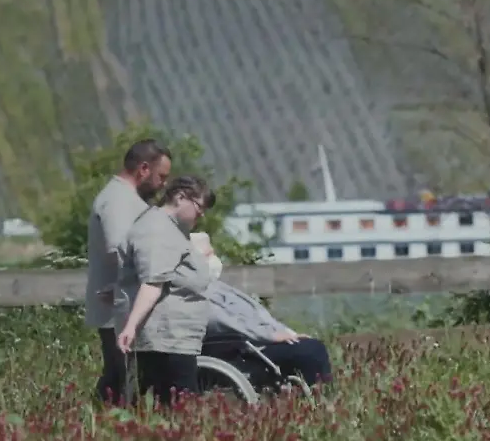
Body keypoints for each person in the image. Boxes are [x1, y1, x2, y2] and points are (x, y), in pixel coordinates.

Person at [115, 175, 216, 408]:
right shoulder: (157, 230)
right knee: (177, 408)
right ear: (181, 197)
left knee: (175, 408)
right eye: (200, 207)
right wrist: (131, 326)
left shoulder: (170, 230)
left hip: (176, 338)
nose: (202, 214)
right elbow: (152, 282)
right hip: (165, 339)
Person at [85, 139, 172, 406]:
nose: (163, 184)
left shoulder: (125, 199)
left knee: (122, 379)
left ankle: (98, 426)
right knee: (123, 380)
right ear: (143, 168)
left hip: (124, 305)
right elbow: (119, 250)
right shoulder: (118, 201)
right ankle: (99, 429)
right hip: (118, 309)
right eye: (161, 176)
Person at [192, 236, 333, 390]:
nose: (214, 259)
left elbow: (259, 314)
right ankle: (316, 400)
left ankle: (318, 397)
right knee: (309, 351)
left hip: (256, 344)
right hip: (244, 349)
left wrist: (288, 333)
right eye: (208, 255)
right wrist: (271, 336)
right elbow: (220, 322)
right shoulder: (193, 292)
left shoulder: (218, 287)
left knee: (311, 346)